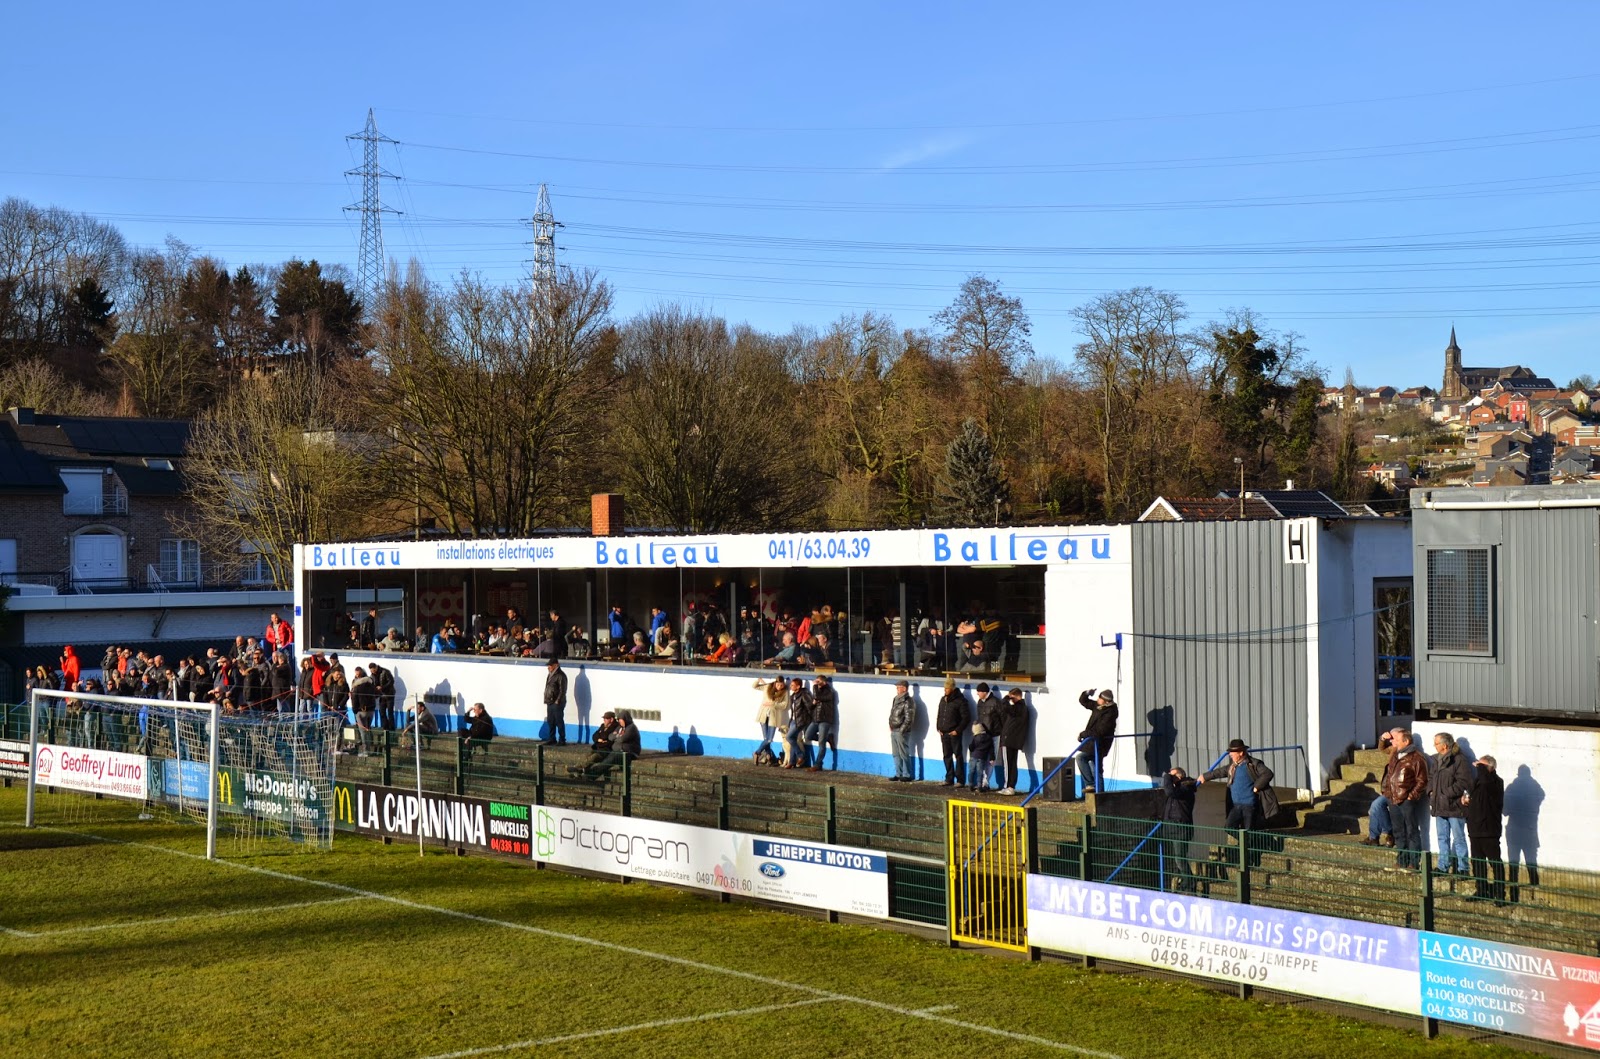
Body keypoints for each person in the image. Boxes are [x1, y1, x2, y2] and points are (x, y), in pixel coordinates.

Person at [1198, 738, 1279, 833]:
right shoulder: (1232, 767)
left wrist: (1257, 786)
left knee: (1249, 831)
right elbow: (1219, 772)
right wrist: (1205, 776)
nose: (1230, 754)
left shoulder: (1253, 764)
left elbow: (1267, 773)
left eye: (1233, 752)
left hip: (1249, 805)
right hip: (1236, 805)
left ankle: (1250, 845)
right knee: (1229, 828)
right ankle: (1245, 844)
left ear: (1241, 753)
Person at [1380, 730, 1430, 872]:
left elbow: (1422, 780)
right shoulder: (1395, 755)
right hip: (1392, 798)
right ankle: (1401, 861)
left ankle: (1413, 863)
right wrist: (1388, 793)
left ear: (1406, 742)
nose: (1393, 741)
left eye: (1396, 739)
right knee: (1398, 831)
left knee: (1412, 830)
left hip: (1406, 800)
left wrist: (1411, 796)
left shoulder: (1417, 758)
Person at [1429, 731, 1473, 876]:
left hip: (1454, 806)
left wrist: (1446, 793)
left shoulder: (1459, 760)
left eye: (1436, 743)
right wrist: (1430, 791)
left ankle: (1463, 869)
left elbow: (1464, 782)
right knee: (1442, 838)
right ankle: (1443, 866)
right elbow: (1431, 777)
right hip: (1439, 806)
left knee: (1459, 838)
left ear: (1444, 745)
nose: (1434, 746)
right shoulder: (1436, 760)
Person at [1466, 755, 1506, 903]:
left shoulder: (1495, 782)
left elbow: (1486, 782)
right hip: (1475, 828)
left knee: (1494, 862)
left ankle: (1500, 893)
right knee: (1477, 862)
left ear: (1490, 768)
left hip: (1489, 829)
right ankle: (1481, 889)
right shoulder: (1478, 781)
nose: (1478, 769)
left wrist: (1481, 767)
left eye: (1481, 767)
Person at [1360, 728, 1408, 847]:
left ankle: (1387, 834)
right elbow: (1381, 748)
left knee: (1376, 807)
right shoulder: (1393, 749)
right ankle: (1375, 837)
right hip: (1388, 789)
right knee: (1375, 807)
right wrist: (1382, 738)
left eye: (1393, 739)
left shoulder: (1405, 753)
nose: (1390, 741)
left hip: (1397, 791)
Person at [1160, 767, 1200, 892]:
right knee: (1178, 858)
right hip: (1173, 827)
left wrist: (1166, 777)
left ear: (1179, 776)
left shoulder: (1186, 788)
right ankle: (1184, 879)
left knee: (1180, 858)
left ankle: (1189, 882)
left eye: (1172, 776)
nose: (1170, 779)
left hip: (1180, 828)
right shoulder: (1178, 788)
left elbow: (1169, 792)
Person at [1073, 689, 1119, 794]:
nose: (1097, 699)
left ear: (1106, 701)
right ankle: (1099, 795)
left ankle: (1091, 785)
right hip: (1092, 743)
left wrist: (1083, 734)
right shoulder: (1098, 706)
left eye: (1100, 698)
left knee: (1081, 758)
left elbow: (1100, 731)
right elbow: (1084, 702)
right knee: (1096, 768)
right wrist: (1087, 693)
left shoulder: (1110, 713)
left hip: (1100, 744)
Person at [578, 709, 640, 781]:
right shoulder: (620, 727)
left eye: (620, 719)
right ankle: (587, 773)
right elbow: (610, 737)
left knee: (608, 761)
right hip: (618, 750)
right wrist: (618, 736)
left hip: (628, 752)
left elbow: (622, 739)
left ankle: (591, 776)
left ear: (625, 719)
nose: (619, 721)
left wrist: (616, 736)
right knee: (605, 759)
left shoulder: (631, 728)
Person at [935, 677, 970, 787]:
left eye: (947, 688)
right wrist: (938, 727)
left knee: (958, 755)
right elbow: (940, 714)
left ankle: (960, 780)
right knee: (946, 756)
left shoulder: (960, 701)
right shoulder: (942, 699)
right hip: (944, 732)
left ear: (952, 688)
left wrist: (957, 730)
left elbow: (966, 718)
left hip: (954, 733)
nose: (945, 690)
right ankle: (949, 778)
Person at [995, 688, 1029, 795]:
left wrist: (1005, 699)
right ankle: (1011, 786)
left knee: (1008, 764)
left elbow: (1004, 707)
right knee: (1012, 763)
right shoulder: (1023, 708)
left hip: (1009, 739)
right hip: (1015, 740)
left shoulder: (1017, 708)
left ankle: (1008, 786)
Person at [568, 711, 622, 776]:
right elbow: (595, 735)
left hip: (606, 750)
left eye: (606, 719)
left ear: (611, 719)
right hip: (598, 748)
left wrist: (600, 739)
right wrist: (599, 740)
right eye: (604, 718)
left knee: (594, 757)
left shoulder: (615, 728)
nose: (604, 720)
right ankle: (581, 771)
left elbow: (607, 738)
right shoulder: (603, 726)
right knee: (588, 756)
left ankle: (578, 768)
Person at [807, 675, 838, 772]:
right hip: (816, 719)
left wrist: (815, 686)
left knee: (821, 743)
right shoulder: (818, 692)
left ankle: (818, 764)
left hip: (825, 719)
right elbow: (811, 706)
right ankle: (828, 738)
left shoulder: (830, 691)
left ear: (824, 682)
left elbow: (817, 696)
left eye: (819, 682)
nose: (817, 684)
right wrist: (813, 704)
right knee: (808, 735)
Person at [753, 678, 788, 764]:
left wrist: (773, 704)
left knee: (769, 739)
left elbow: (784, 705)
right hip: (763, 715)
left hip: (774, 717)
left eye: (781, 685)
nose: (779, 687)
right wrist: (758, 680)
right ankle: (769, 756)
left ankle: (757, 753)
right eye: (778, 685)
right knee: (766, 738)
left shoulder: (784, 692)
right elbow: (755, 686)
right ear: (775, 683)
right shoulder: (767, 687)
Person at [888, 680, 916, 781]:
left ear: (904, 688)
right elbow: (892, 713)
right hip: (894, 729)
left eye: (898, 687)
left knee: (903, 753)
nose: (897, 689)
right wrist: (890, 724)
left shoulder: (908, 701)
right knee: (896, 753)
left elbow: (909, 718)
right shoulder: (896, 699)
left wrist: (902, 730)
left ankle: (907, 774)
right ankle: (898, 773)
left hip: (901, 731)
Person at [783, 677, 813, 769]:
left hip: (800, 721)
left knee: (789, 737)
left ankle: (801, 755)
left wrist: (808, 719)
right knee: (793, 740)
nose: (791, 686)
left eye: (793, 685)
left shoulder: (803, 695)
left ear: (798, 686)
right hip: (793, 720)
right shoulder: (794, 696)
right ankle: (792, 762)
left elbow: (810, 707)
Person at [349, 667, 377, 756]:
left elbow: (354, 699)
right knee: (368, 730)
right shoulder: (372, 686)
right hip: (371, 710)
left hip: (361, 711)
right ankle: (368, 750)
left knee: (363, 731)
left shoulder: (357, 687)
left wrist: (354, 710)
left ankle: (366, 751)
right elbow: (377, 695)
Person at [542, 659, 568, 745]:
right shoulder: (550, 675)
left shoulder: (561, 675)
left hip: (557, 702)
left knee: (559, 721)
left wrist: (558, 701)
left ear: (556, 665)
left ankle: (562, 739)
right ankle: (552, 738)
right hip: (550, 701)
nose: (548, 667)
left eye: (550, 665)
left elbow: (562, 690)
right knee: (551, 721)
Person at [967, 722, 994, 793]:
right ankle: (979, 786)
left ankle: (970, 785)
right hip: (982, 757)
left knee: (971, 771)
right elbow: (991, 749)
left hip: (973, 756)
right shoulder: (989, 738)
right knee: (980, 772)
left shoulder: (975, 738)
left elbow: (971, 747)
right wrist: (992, 758)